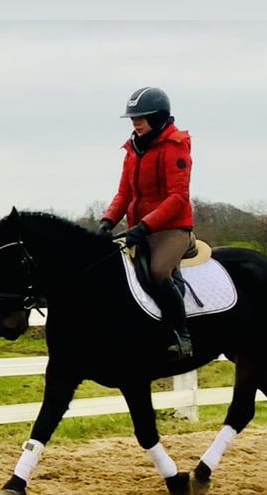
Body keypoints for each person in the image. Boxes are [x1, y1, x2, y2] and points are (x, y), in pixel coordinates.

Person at [98, 86, 194, 361]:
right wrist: (107, 221)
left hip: (172, 228)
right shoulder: (132, 150)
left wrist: (144, 227)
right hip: (141, 229)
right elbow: (124, 193)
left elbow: (178, 198)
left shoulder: (175, 147)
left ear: (160, 117)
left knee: (158, 271)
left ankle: (182, 334)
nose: (135, 123)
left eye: (141, 117)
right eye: (132, 118)